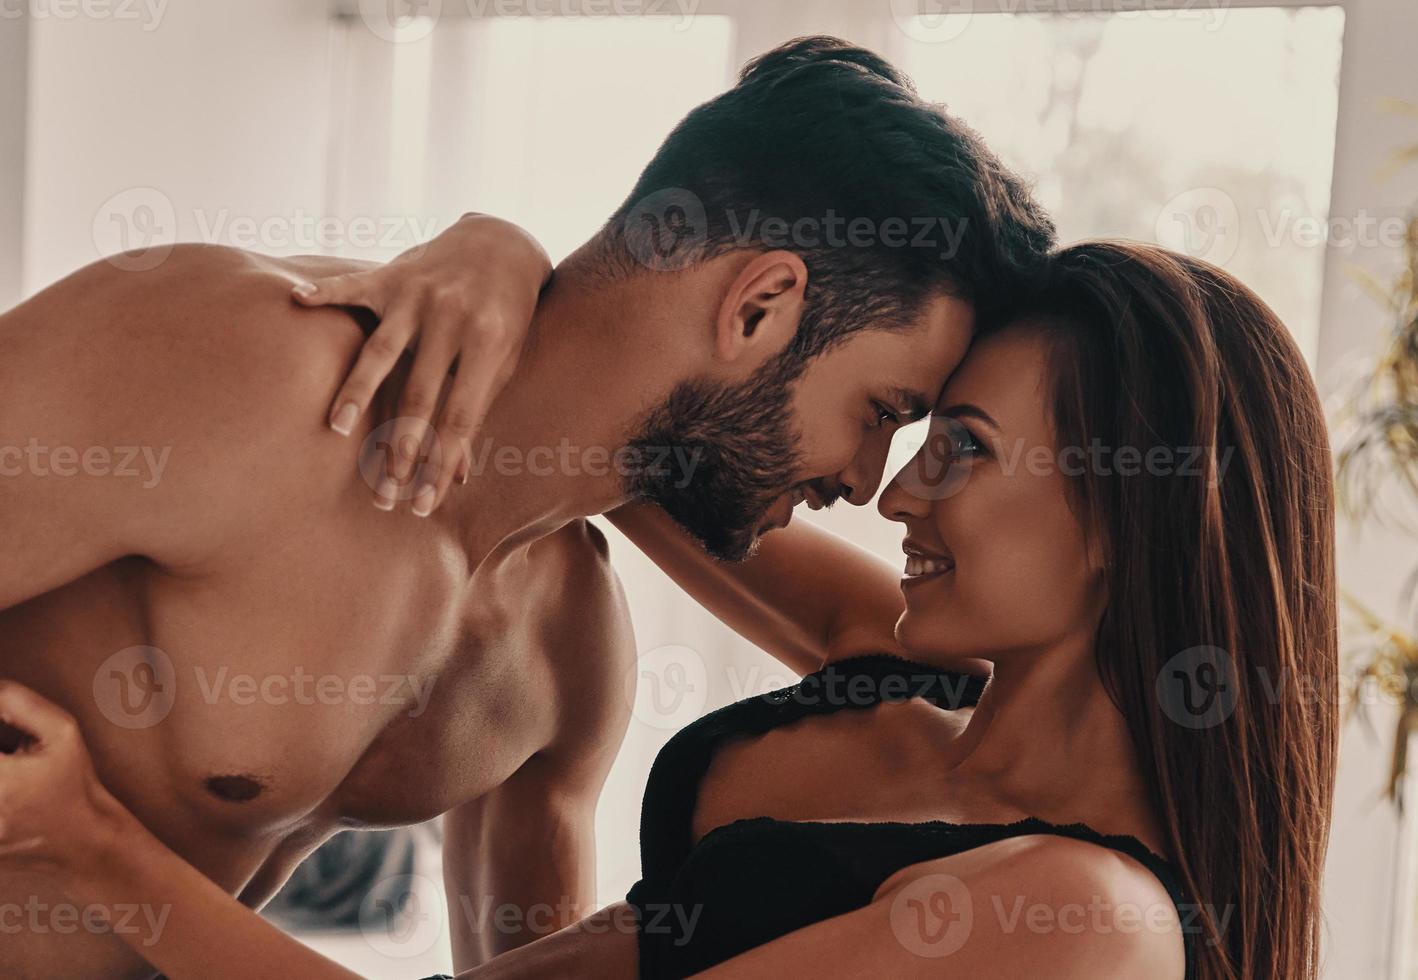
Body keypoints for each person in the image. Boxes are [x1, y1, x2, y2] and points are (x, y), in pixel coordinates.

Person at [0, 37, 1053, 979]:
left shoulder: (566, 648)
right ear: (759, 305)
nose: (866, 480)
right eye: (880, 410)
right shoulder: (254, 372)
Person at [0, 241, 1338, 980]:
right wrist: (495, 257)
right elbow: (637, 425)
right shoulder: (904, 676)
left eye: (962, 446)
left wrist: (93, 842)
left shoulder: (1081, 921)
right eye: (901, 427)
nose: (890, 496)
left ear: (1127, 513)